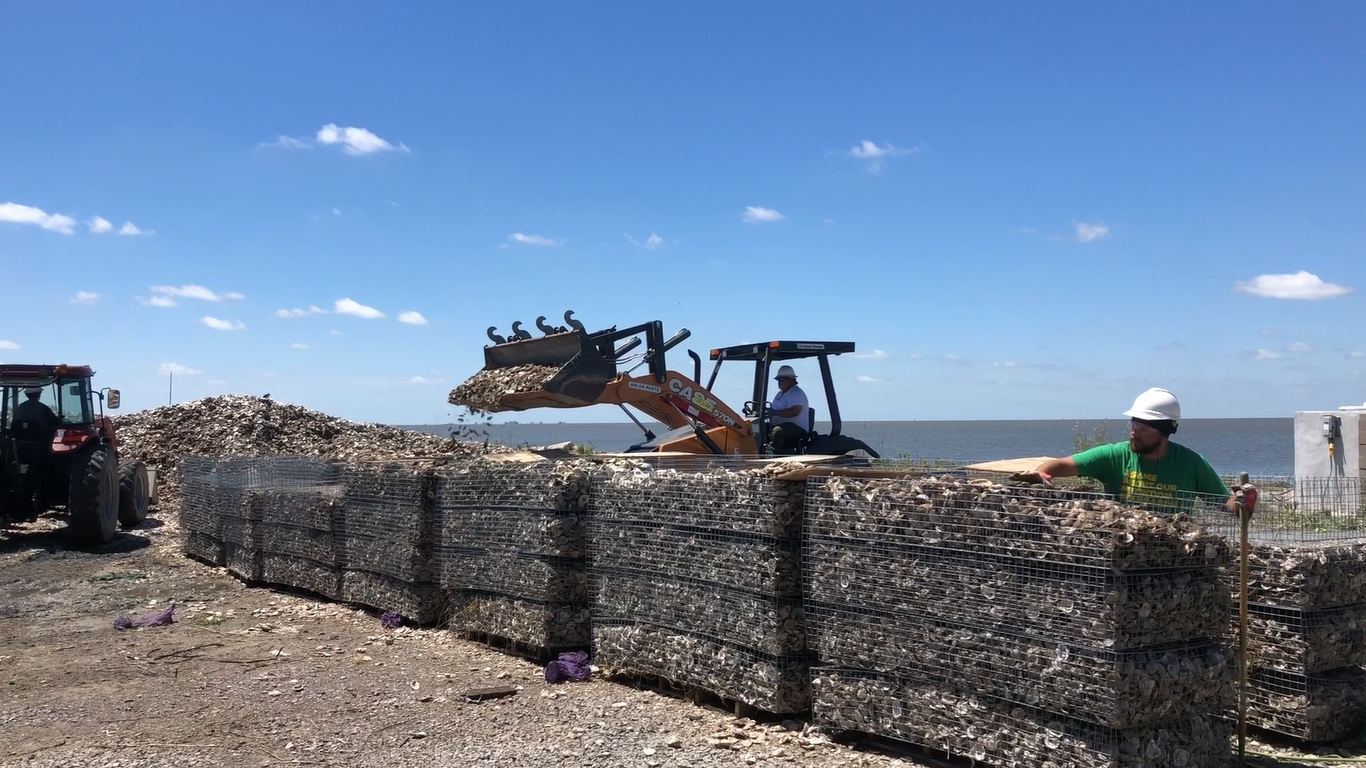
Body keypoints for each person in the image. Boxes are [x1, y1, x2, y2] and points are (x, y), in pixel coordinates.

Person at [1029, 387, 1250, 516]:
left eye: (1144, 428)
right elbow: (1055, 466)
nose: (1135, 433)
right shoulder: (1113, 456)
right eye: (1133, 425)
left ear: (1165, 431)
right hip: (1122, 553)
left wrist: (1243, 502)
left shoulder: (1191, 462)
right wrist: (1042, 475)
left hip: (1173, 558)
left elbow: (1223, 504)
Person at [767, 365, 809, 455]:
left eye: (782, 379)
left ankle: (771, 456)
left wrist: (774, 413)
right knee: (757, 428)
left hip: (796, 429)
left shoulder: (796, 393)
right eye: (778, 379)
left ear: (791, 379)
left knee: (778, 431)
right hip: (781, 425)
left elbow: (795, 411)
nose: (779, 382)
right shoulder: (781, 393)